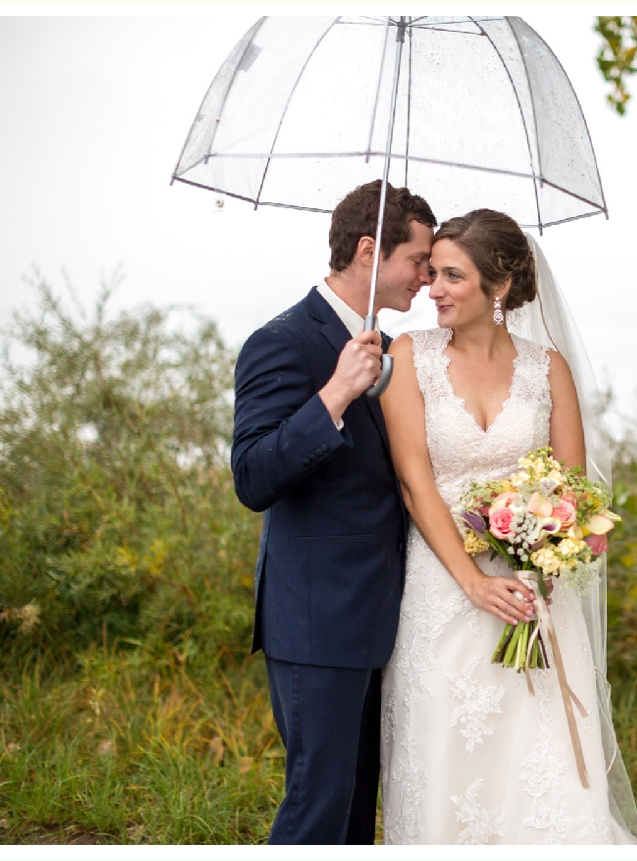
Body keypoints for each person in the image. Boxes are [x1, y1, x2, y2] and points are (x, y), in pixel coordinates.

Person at [379, 209, 637, 844]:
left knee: (537, 749)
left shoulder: (547, 367)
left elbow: (572, 488)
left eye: (451, 275)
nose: (432, 287)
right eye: (432, 272)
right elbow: (416, 485)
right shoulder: (407, 355)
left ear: (498, 287)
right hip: (442, 585)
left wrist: (539, 564)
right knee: (448, 741)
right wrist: (472, 581)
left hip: (533, 586)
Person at [231, 180, 437, 844]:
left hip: (381, 622)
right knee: (315, 813)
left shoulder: (390, 347)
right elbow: (253, 475)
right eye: (419, 260)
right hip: (316, 622)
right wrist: (335, 395)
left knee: (353, 818)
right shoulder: (284, 340)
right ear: (369, 249)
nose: (426, 277)